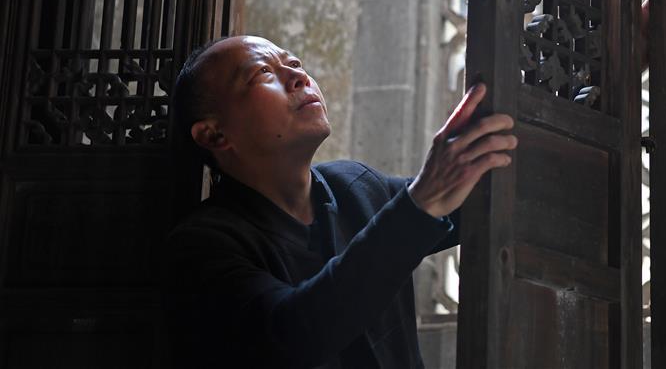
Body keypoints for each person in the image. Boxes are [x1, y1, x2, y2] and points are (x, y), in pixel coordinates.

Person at [160, 35, 518, 369]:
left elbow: (484, 202)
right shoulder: (202, 246)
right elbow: (293, 335)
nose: (298, 76)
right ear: (213, 134)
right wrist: (420, 203)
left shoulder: (356, 187)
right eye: (263, 72)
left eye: (295, 64)